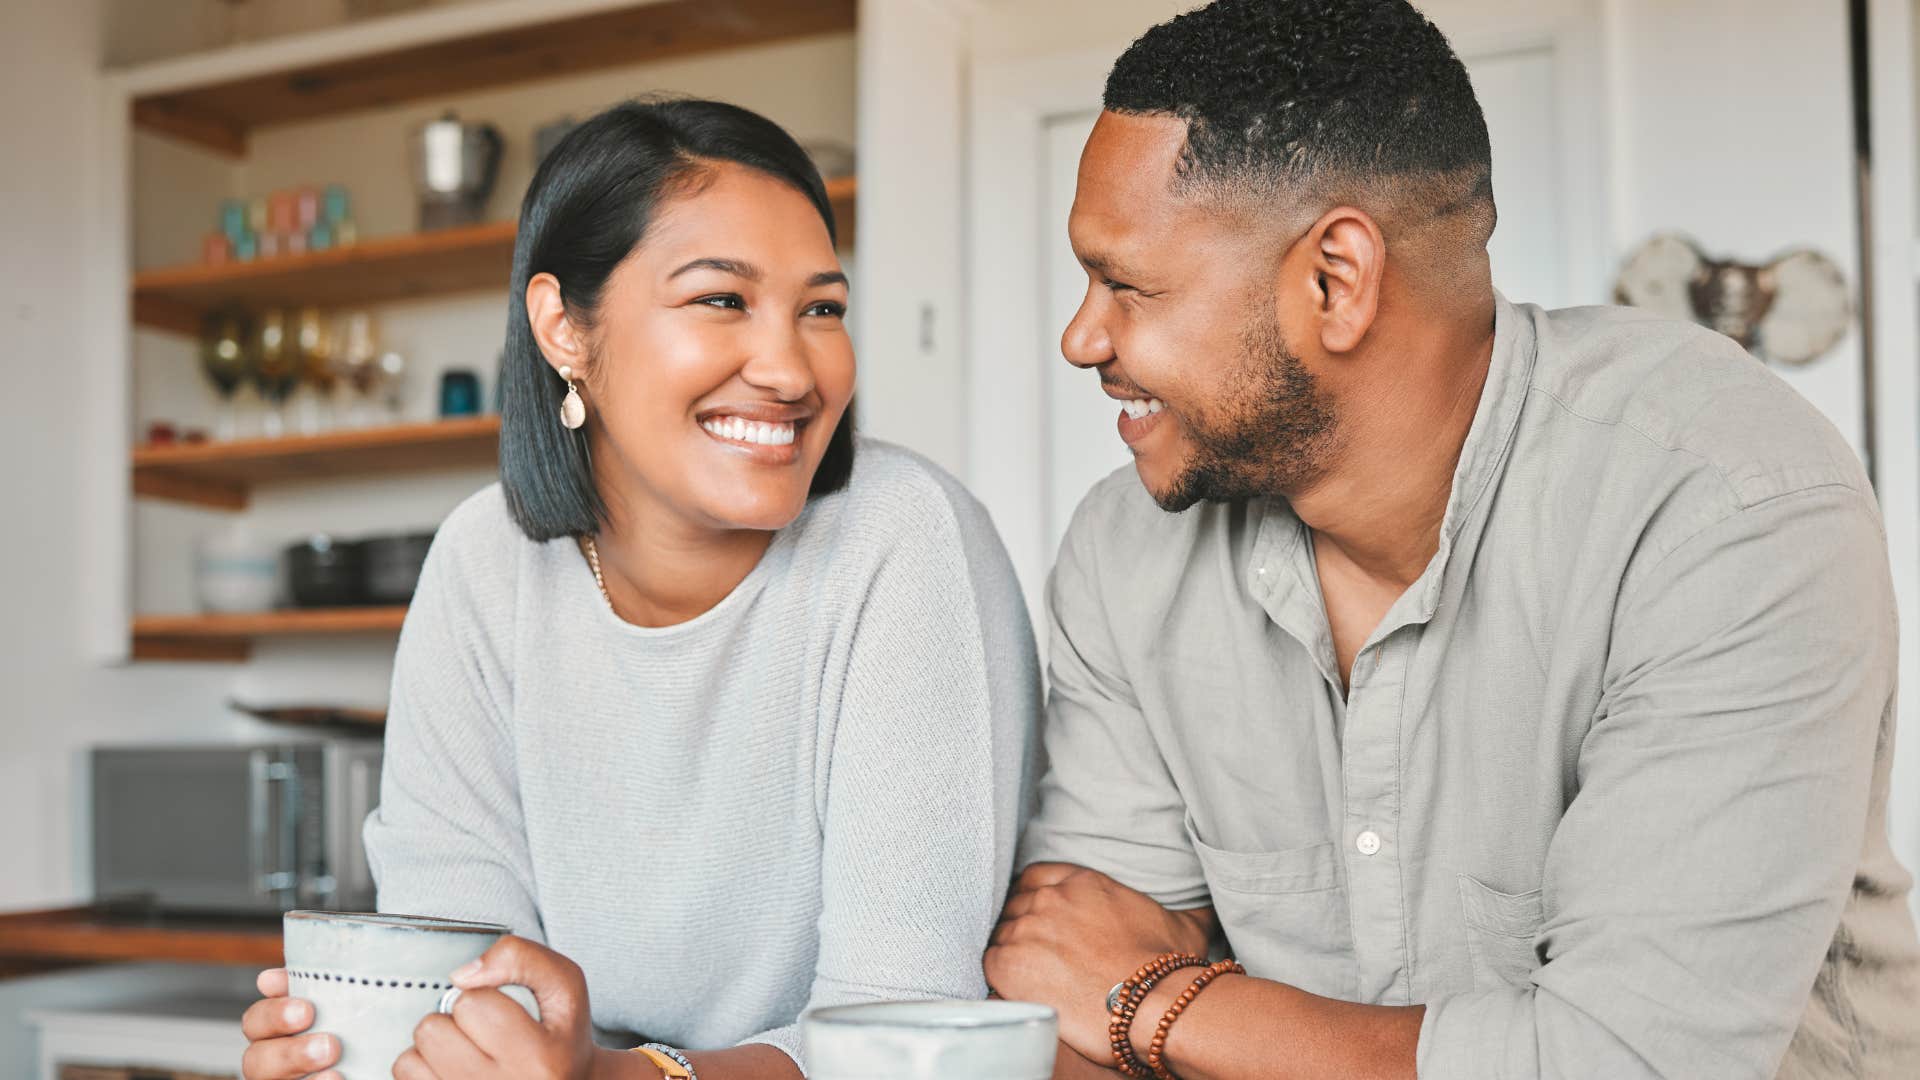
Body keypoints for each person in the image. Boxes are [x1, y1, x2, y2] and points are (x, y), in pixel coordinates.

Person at [982, 2, 1920, 1078]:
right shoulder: (1126, 547)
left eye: (1128, 286)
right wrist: (1126, 1004)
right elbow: (1067, 992)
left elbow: (1634, 1064)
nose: (1081, 337)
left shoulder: (1726, 502)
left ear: (1336, 279)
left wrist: (1156, 1003)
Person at [239, 98, 1040, 1080]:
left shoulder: (902, 537)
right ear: (564, 328)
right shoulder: (482, 564)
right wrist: (367, 1053)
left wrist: (617, 1076)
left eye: (821, 309)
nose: (791, 370)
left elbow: (902, 1037)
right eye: (721, 300)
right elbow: (464, 984)